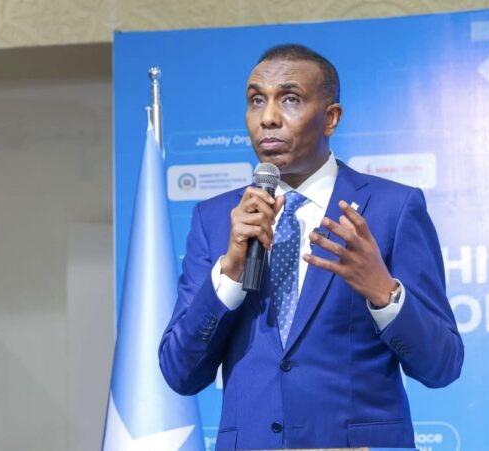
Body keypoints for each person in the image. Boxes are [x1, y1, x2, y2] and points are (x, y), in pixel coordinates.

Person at [159, 44, 463, 450]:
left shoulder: (393, 208)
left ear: (330, 118)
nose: (268, 117)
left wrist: (383, 293)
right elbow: (180, 373)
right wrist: (229, 273)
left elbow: (442, 365)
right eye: (256, 100)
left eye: (290, 99)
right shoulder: (215, 220)